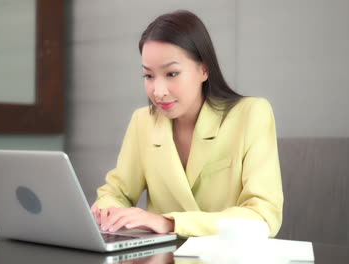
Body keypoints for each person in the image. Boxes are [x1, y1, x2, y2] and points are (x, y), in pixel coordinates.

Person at [90, 10, 283, 238]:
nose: (158, 92)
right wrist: (109, 212)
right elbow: (115, 192)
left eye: (172, 73)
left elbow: (264, 217)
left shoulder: (251, 114)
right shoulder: (143, 122)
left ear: (204, 69)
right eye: (148, 76)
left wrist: (170, 223)